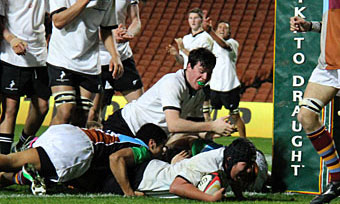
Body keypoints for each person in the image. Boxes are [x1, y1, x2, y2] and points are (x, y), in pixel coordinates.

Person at [103, 48, 236, 140]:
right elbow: (174, 125)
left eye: (209, 73)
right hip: (124, 126)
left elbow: (195, 129)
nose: (205, 77)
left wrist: (213, 133)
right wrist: (212, 125)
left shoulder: (199, 94)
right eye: (201, 71)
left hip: (148, 138)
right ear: (189, 66)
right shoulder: (173, 82)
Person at [0, 123, 167, 195]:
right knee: (46, 175)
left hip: (67, 134)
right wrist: (129, 192)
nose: (162, 152)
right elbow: (116, 159)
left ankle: (23, 176)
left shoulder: (125, 138)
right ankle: (27, 176)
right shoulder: (143, 150)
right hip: (76, 149)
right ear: (151, 144)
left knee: (10, 161)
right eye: (162, 147)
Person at [99, 137, 257, 201]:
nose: (249, 170)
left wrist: (239, 197)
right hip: (142, 179)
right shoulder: (207, 163)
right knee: (94, 183)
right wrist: (209, 198)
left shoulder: (228, 159)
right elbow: (177, 187)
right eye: (246, 165)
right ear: (230, 160)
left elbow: (233, 176)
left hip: (155, 169)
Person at [47, 0, 123, 127]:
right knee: (66, 111)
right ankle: (44, 146)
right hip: (62, 58)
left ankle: (70, 147)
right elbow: (58, 21)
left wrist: (115, 55)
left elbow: (106, 30)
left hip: (89, 64)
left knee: (81, 118)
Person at [291, 8, 340, 204]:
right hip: (328, 66)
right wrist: (311, 26)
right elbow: (333, 25)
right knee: (306, 116)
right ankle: (337, 180)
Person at [0, 0, 51, 154]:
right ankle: (3, 163)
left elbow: (51, 18)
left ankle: (22, 144)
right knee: (10, 109)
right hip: (11, 56)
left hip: (40, 56)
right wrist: (11, 39)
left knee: (42, 107)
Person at [88, 0, 144, 123]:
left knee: (140, 108)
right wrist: (111, 36)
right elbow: (84, 28)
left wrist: (128, 33)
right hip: (96, 59)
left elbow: (136, 21)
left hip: (122, 56)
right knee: (92, 115)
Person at [202, 19, 246, 138]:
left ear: (229, 33)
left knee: (235, 116)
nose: (221, 29)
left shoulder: (232, 43)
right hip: (214, 86)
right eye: (219, 27)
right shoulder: (212, 46)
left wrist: (210, 31)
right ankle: (208, 140)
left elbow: (223, 45)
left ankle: (244, 142)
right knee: (206, 114)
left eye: (225, 28)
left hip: (229, 87)